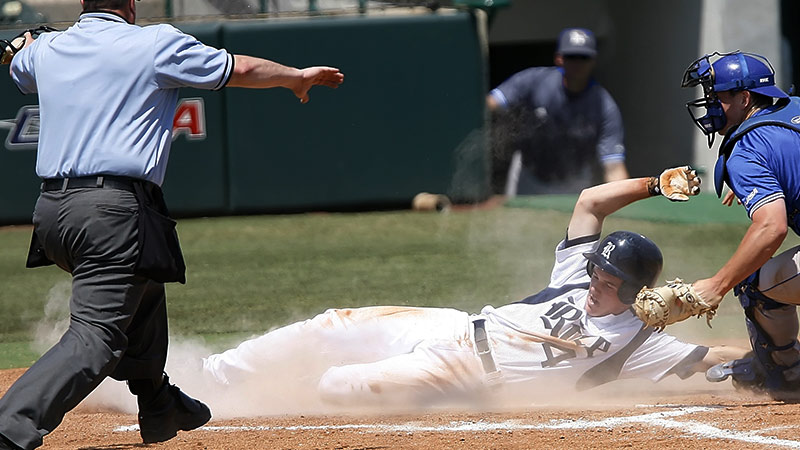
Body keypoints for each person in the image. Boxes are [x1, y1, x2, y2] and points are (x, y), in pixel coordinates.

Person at [0, 0, 344, 448]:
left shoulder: (49, 49)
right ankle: (11, 426)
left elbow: (18, 65)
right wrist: (294, 76)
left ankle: (159, 404)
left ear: (84, 3)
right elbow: (239, 69)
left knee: (144, 283)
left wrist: (22, 47)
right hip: (112, 209)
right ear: (131, 4)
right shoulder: (154, 42)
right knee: (97, 336)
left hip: (52, 213)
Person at [198, 168, 747, 411]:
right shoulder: (576, 277)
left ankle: (270, 393)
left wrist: (773, 358)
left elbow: (714, 355)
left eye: (608, 283)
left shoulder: (640, 342)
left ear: (634, 291)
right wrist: (654, 184)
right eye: (596, 273)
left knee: (337, 388)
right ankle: (211, 377)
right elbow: (588, 202)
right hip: (453, 325)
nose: (594, 286)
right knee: (329, 325)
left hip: (464, 375)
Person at [680, 51, 800, 399]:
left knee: (753, 281)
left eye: (718, 96)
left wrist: (717, 285)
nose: (709, 104)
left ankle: (788, 371)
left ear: (745, 98)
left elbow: (771, 227)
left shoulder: (747, 148)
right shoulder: (793, 109)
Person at [487, 27, 629, 197]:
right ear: (559, 59)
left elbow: (613, 166)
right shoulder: (534, 80)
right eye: (571, 57)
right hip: (529, 176)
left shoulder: (604, 106)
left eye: (584, 57)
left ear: (593, 61)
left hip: (574, 182)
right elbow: (491, 103)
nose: (578, 63)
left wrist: (624, 204)